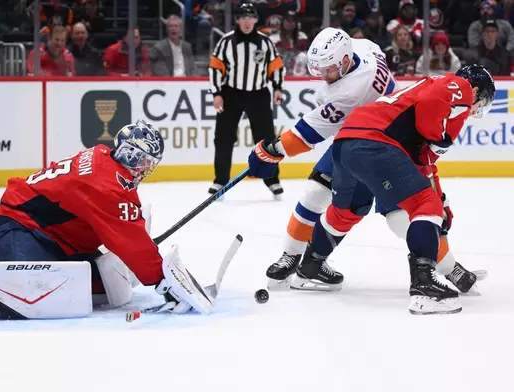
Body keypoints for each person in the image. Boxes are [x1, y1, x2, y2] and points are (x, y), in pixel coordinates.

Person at [271, 65, 494, 315]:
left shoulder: (426, 89)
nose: (476, 108)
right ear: (475, 89)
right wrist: (435, 140)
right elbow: (430, 114)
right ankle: (424, 287)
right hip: (377, 142)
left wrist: (441, 197)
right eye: (481, 100)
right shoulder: (459, 87)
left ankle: (309, 267)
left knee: (347, 211)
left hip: (348, 141)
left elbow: (425, 164)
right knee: (425, 205)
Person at [0, 119, 212, 315]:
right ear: (129, 153)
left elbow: (124, 229)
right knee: (32, 293)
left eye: (151, 164)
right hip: (18, 225)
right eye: (145, 161)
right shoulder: (106, 185)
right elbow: (129, 239)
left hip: (60, 239)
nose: (146, 170)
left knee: (103, 289)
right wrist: (163, 283)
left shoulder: (104, 159)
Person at [246, 27, 396, 286]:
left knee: (353, 209)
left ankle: (314, 261)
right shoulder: (365, 46)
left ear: (346, 61)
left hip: (383, 145)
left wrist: (271, 151)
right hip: (356, 134)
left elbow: (308, 134)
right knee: (316, 191)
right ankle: (292, 256)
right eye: (319, 69)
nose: (323, 76)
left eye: (328, 69)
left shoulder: (350, 90)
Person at [208, 2, 285, 199]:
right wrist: (216, 93)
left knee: (267, 139)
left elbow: (276, 66)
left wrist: (277, 88)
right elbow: (215, 67)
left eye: (250, 17)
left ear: (256, 20)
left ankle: (272, 180)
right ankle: (220, 180)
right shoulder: (226, 42)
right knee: (223, 138)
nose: (247, 21)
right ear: (237, 20)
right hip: (231, 93)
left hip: (258, 94)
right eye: (243, 17)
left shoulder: (265, 42)